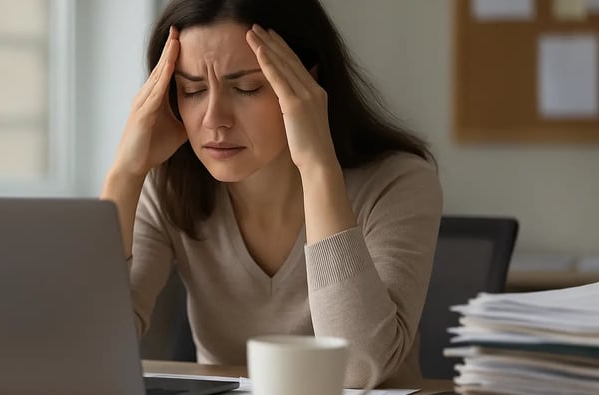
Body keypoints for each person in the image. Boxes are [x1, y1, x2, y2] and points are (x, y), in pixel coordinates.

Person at [100, 0, 442, 388]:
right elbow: (86, 347)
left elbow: (357, 371)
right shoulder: (169, 188)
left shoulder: (398, 182)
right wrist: (124, 175)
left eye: (246, 88)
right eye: (191, 89)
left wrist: (317, 167)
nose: (214, 119)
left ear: (308, 84)